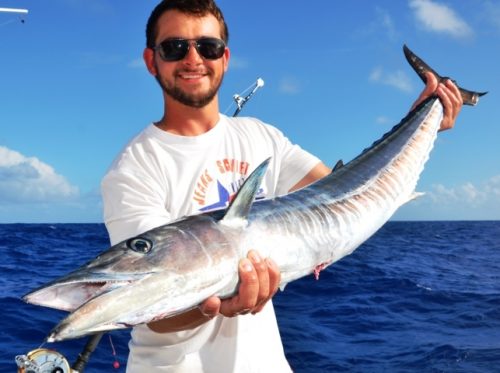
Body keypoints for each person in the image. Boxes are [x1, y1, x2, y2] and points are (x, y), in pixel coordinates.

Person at [101, 0, 463, 371]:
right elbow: (147, 307)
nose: (193, 59)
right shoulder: (134, 168)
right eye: (174, 47)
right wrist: (215, 306)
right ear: (151, 61)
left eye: (207, 47)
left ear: (225, 58)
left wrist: (423, 119)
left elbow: (342, 196)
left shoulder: (261, 136)